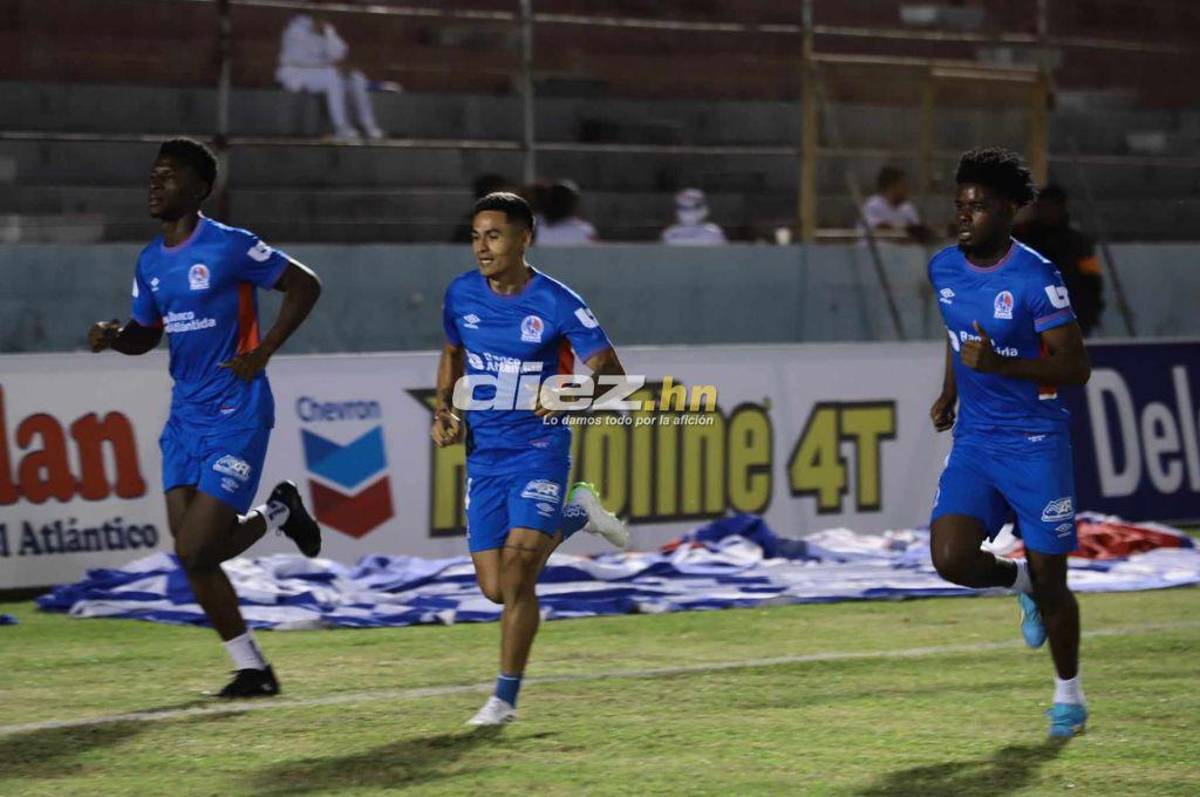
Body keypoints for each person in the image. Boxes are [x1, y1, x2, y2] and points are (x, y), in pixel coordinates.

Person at [87, 138, 324, 698]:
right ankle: (253, 669)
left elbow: (305, 285)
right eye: (152, 175)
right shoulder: (149, 261)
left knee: (193, 550)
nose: (154, 184)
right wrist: (116, 338)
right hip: (185, 419)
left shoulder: (230, 247)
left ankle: (274, 518)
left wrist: (264, 351)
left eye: (167, 176)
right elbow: (146, 336)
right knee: (196, 557)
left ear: (198, 189)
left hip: (236, 413)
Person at [433, 192, 629, 725]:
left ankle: (503, 700)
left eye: (494, 235)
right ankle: (579, 512)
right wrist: (444, 410)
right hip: (485, 455)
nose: (482, 247)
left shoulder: (557, 303)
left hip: (539, 450)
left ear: (525, 238)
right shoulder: (460, 294)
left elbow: (613, 380)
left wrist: (567, 397)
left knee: (519, 574)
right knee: (496, 588)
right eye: (476, 236)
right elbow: (452, 353)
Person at [927, 147, 1091, 738]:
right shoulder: (943, 268)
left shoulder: (1036, 278)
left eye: (979, 206)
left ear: (1010, 211)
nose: (965, 216)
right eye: (960, 205)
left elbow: (1075, 367)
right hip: (976, 439)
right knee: (949, 557)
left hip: (1036, 444)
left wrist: (998, 363)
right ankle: (1017, 582)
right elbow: (956, 340)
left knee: (1058, 583)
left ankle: (1068, 694)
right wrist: (951, 391)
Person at [275, 5, 385, 141]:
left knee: (357, 78)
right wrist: (330, 66)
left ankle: (369, 126)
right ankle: (342, 128)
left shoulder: (327, 30)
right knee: (332, 77)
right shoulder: (295, 30)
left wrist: (326, 36)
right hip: (296, 73)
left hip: (323, 72)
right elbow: (297, 59)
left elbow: (339, 52)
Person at [1014, 185, 1104, 336]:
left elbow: (1092, 281)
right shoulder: (1022, 238)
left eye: (1051, 207)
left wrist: (1089, 315)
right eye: (1042, 207)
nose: (1046, 212)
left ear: (1061, 208)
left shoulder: (1078, 243)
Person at [861, 166, 934, 243]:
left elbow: (916, 229)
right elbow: (880, 227)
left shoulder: (907, 207)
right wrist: (907, 230)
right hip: (872, 251)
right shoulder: (872, 204)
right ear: (892, 186)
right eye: (903, 185)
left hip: (900, 252)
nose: (906, 189)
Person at [533, 180, 597, 246]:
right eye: (555, 200)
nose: (559, 204)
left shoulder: (584, 231)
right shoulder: (532, 227)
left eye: (564, 200)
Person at [661, 188, 727, 246]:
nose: (687, 212)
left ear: (704, 210)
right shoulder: (670, 234)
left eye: (693, 207)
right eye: (682, 207)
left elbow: (723, 257)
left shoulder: (713, 232)